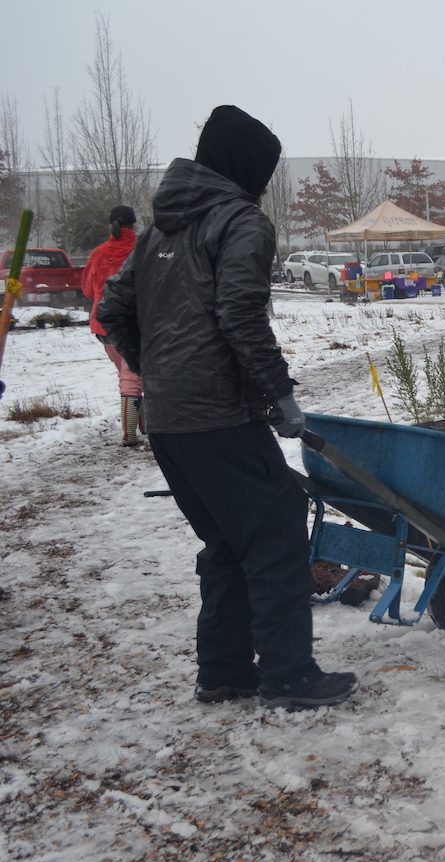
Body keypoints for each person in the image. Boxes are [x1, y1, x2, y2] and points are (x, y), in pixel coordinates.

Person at [98, 105, 357, 712]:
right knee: (275, 532)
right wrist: (277, 393)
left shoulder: (159, 227)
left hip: (168, 420)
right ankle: (289, 677)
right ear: (246, 170)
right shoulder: (241, 221)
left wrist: (160, 374)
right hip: (216, 415)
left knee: (226, 539)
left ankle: (224, 672)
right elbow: (240, 314)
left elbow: (113, 310)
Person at [82, 205, 143, 446]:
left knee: (128, 374)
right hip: (135, 323)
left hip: (104, 325)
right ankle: (130, 432)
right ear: (134, 225)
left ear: (111, 226)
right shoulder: (142, 249)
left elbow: (88, 289)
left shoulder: (98, 253)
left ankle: (143, 424)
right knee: (134, 375)